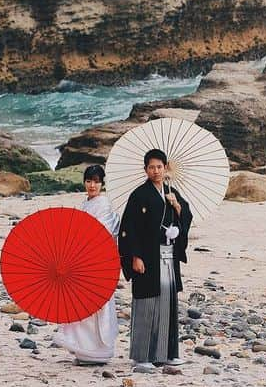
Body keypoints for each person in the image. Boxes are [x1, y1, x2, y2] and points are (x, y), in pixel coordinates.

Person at [117, 148, 193, 371]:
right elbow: (129, 228)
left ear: (165, 168)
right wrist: (135, 256)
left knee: (168, 303)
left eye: (159, 167)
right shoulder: (139, 195)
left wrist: (177, 208)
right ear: (145, 170)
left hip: (168, 256)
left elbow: (185, 216)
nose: (156, 171)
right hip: (148, 257)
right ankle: (142, 356)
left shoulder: (172, 192)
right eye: (151, 167)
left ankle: (166, 353)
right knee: (147, 303)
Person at [52, 164, 119, 365]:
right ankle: (84, 350)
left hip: (97, 260)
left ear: (102, 183)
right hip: (82, 259)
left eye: (96, 181)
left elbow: (105, 231)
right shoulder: (86, 203)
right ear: (84, 182)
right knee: (82, 305)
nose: (92, 185)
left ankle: (98, 351)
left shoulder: (104, 204)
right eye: (89, 181)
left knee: (95, 305)